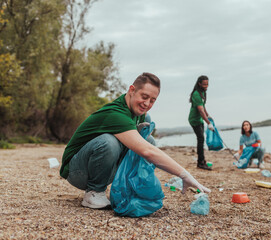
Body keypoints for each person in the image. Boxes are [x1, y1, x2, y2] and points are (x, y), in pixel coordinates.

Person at [60, 72, 210, 209]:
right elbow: (147, 151)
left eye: (152, 100)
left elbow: (146, 146)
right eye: (144, 97)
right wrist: (184, 174)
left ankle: (131, 186)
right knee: (109, 142)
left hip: (99, 167)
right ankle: (94, 192)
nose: (147, 104)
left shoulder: (137, 113)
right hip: (77, 171)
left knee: (148, 138)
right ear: (132, 90)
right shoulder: (116, 114)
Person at [188, 75, 214, 170]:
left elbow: (203, 107)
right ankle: (200, 163)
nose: (206, 86)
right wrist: (208, 123)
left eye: (207, 84)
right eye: (204, 84)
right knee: (201, 139)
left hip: (200, 119)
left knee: (201, 140)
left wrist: (208, 115)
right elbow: (200, 110)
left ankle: (202, 160)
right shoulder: (196, 94)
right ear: (199, 84)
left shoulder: (202, 92)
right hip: (194, 120)